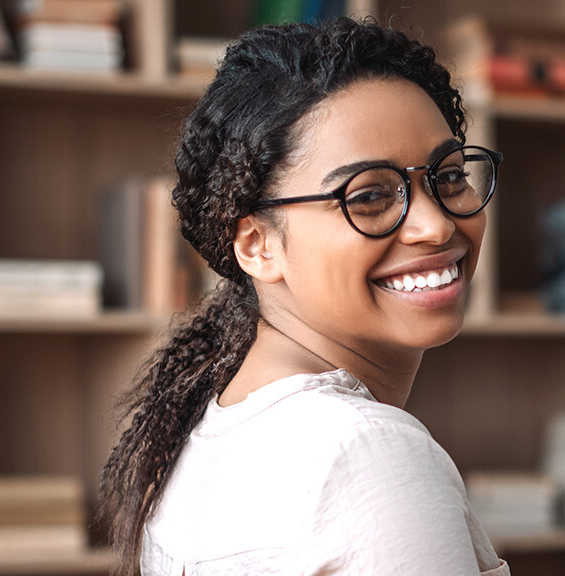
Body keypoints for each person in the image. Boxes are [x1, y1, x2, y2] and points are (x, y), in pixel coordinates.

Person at [98, 19, 509, 575]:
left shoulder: (214, 429)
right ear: (257, 244)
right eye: (368, 196)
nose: (434, 226)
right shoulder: (368, 453)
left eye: (450, 175)